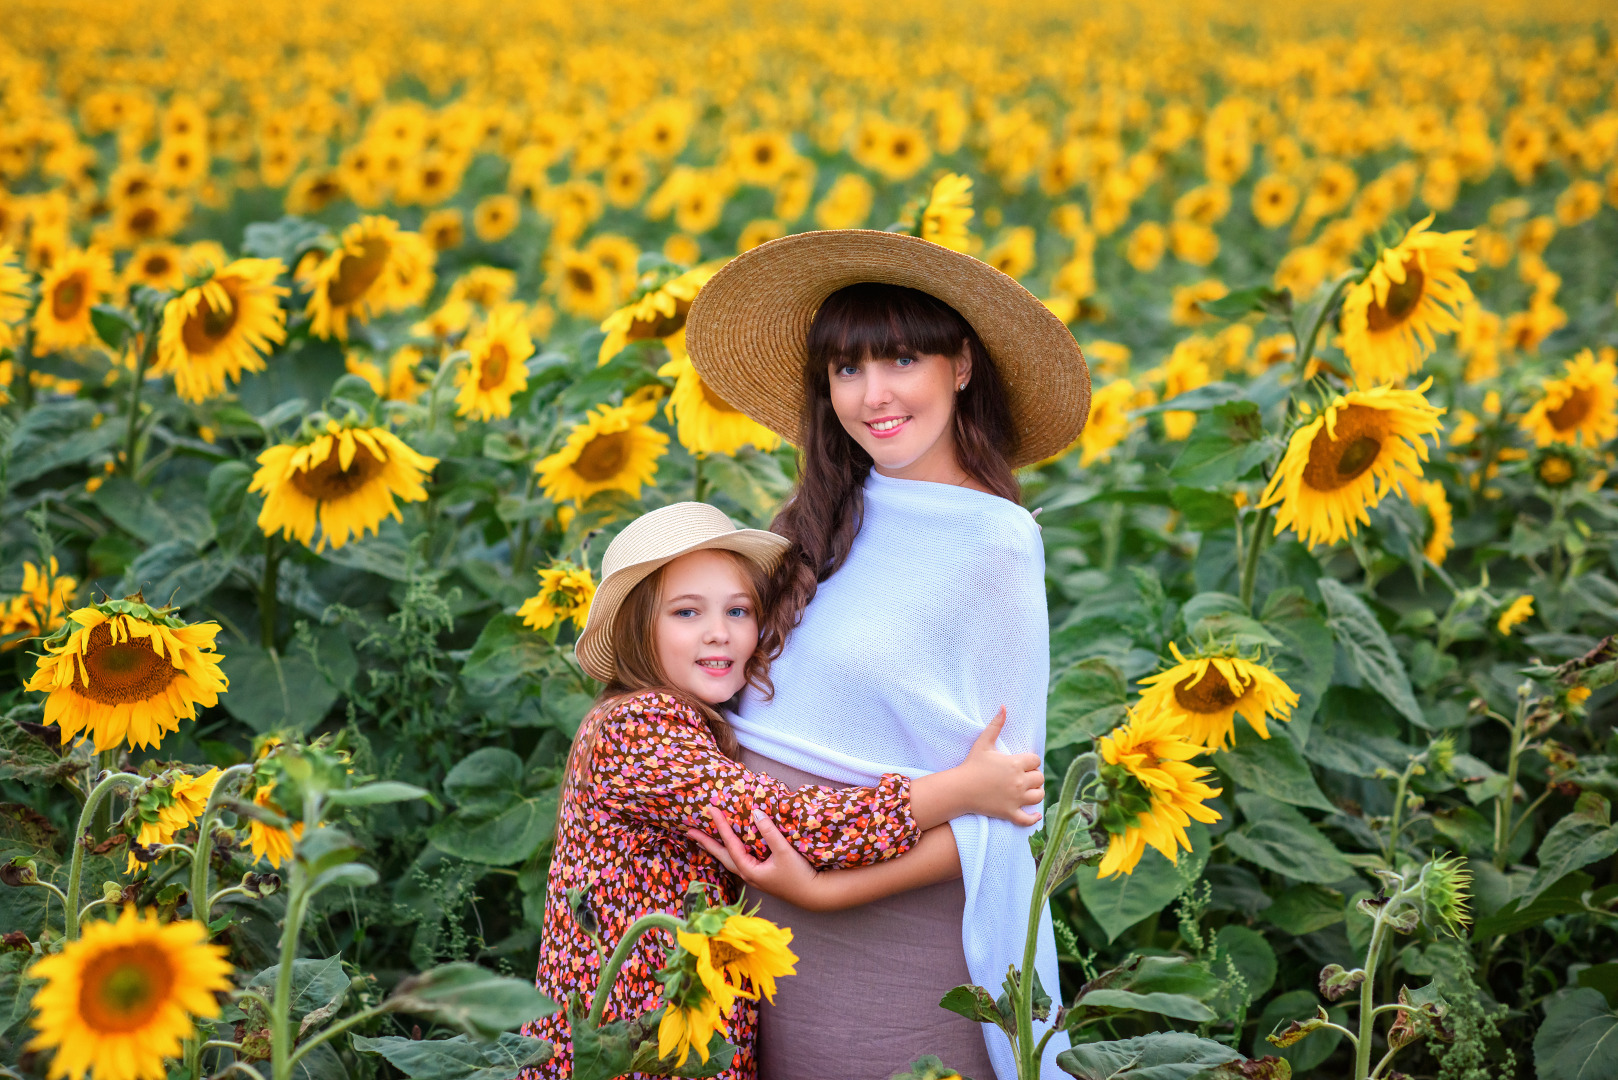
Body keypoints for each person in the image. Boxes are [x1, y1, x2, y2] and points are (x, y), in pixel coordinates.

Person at [684, 228, 1091, 1079]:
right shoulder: (822, 521)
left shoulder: (994, 542)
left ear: (963, 367)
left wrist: (825, 888)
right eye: (846, 369)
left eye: (902, 359)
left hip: (893, 936)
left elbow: (1005, 812)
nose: (874, 395)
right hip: (767, 941)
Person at [521, 501, 1048, 1079]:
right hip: (631, 1043)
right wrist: (962, 790)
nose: (719, 632)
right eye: (687, 612)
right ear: (635, 629)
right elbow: (791, 827)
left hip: (672, 1032)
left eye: (738, 610)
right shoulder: (637, 729)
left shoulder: (684, 721)